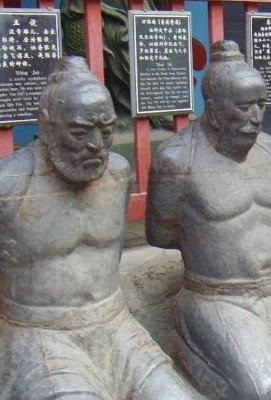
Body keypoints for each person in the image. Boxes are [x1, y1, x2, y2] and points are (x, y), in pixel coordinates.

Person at [146, 40, 271, 400]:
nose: (256, 116)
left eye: (260, 104)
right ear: (214, 112)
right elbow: (160, 234)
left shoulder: (269, 149)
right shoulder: (177, 161)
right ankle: (187, 347)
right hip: (217, 297)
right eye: (244, 107)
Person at [0, 56, 198, 400]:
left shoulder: (116, 174)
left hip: (115, 324)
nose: (96, 144)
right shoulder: (10, 184)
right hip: (40, 333)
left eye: (106, 130)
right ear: (47, 124)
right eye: (79, 131)